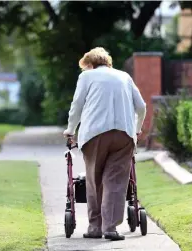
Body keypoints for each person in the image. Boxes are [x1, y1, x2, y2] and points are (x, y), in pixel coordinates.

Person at [63, 47, 146, 241]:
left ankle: (95, 227)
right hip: (124, 134)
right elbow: (141, 106)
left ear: (91, 64)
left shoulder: (87, 77)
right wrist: (137, 128)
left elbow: (77, 106)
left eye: (86, 67)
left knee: (95, 180)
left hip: (95, 133)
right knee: (116, 182)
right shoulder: (125, 76)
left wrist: (70, 130)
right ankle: (111, 228)